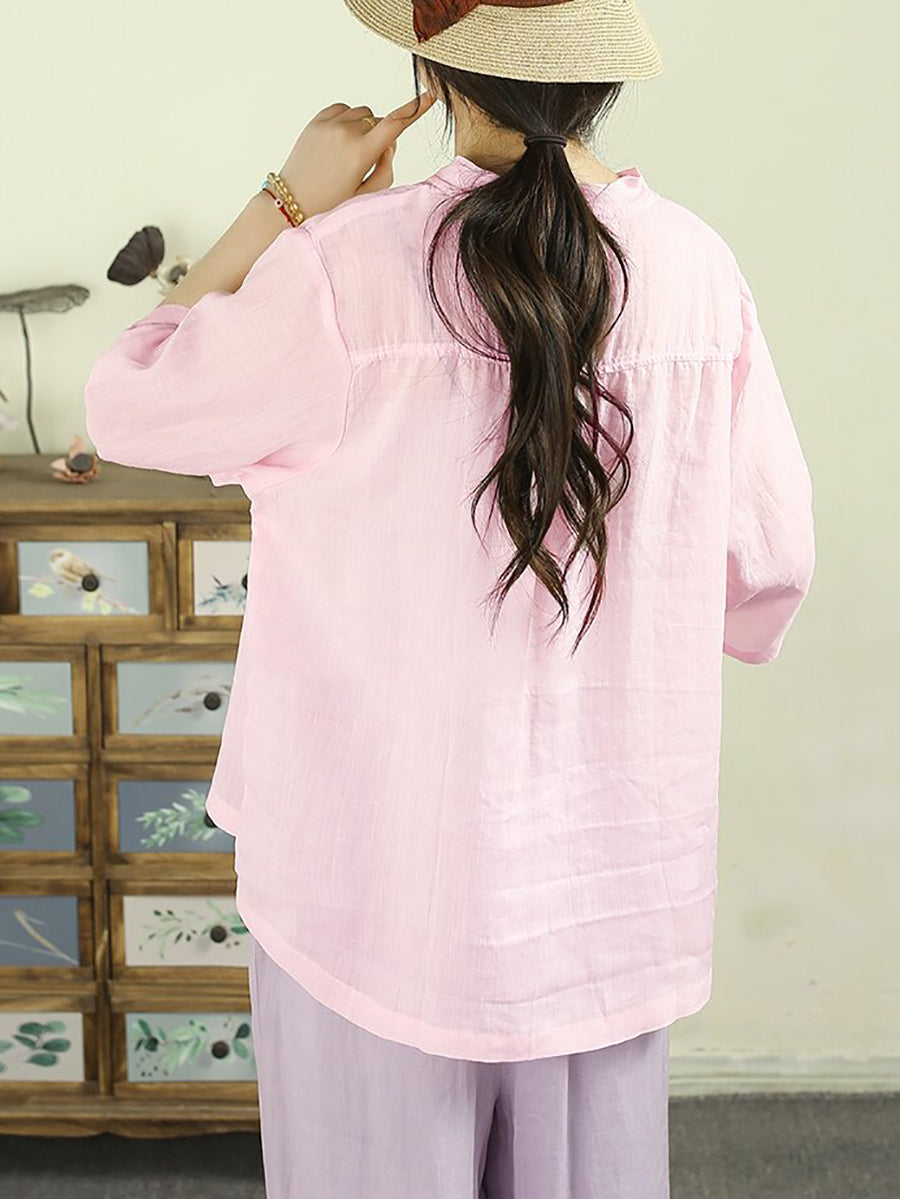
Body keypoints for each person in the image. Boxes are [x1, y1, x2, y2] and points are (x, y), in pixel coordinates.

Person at [82, 1, 816, 1195]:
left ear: (431, 64)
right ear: (597, 73)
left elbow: (128, 401)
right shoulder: (695, 269)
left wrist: (285, 200)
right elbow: (764, 571)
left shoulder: (342, 267)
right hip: (599, 882)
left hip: (372, 871)